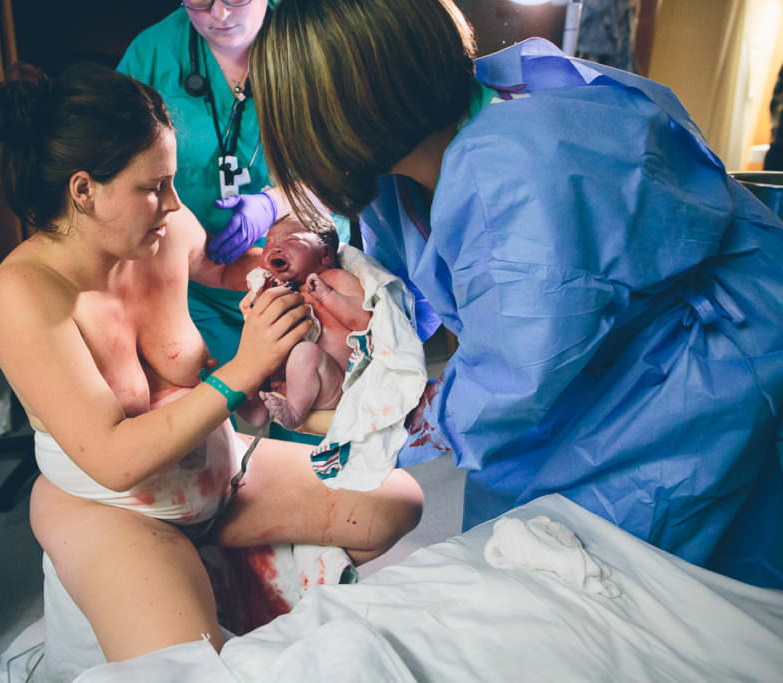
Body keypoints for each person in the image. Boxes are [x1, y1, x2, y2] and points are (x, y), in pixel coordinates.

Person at [250, 0, 783, 589]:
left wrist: (371, 418)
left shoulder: (511, 171)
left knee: (619, 586)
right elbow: (429, 284)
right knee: (515, 545)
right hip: (594, 356)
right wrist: (362, 325)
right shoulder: (411, 169)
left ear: (348, 114)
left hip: (697, 367)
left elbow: (514, 374)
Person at [0, 61, 423, 662]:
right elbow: (113, 460)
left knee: (397, 503)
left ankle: (218, 577)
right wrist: (243, 368)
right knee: (193, 670)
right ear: (83, 190)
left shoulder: (166, 233)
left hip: (217, 474)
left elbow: (231, 268)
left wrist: (295, 269)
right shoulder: (25, 294)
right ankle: (166, 585)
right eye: (154, 187)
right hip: (116, 508)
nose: (173, 203)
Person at [117, 0, 349, 442]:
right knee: (208, 435)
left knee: (320, 432)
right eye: (200, 1)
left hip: (305, 279)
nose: (219, 14)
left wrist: (276, 203)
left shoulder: (316, 41)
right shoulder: (152, 57)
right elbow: (113, 169)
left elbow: (353, 164)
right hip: (191, 289)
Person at [238, 214, 370, 430]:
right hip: (285, 383)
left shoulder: (335, 279)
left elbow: (364, 322)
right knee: (255, 350)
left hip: (329, 381)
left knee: (305, 352)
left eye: (291, 241)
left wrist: (327, 296)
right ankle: (258, 409)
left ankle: (295, 412)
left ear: (325, 254)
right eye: (268, 244)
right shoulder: (276, 289)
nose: (275, 249)